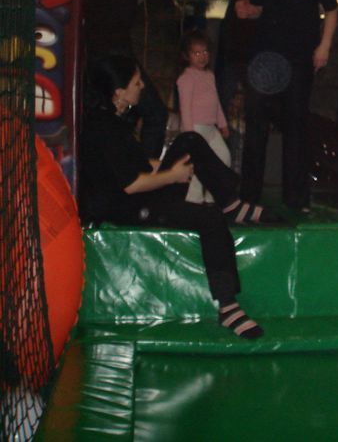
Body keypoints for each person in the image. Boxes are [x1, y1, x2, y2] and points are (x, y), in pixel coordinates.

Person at [80, 55, 273, 339]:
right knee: (209, 217)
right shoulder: (103, 127)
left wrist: (168, 166)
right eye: (136, 82)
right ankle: (228, 306)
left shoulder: (116, 120)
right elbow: (131, 185)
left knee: (190, 141)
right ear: (118, 92)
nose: (142, 86)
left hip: (141, 195)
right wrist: (172, 175)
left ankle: (231, 203)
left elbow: (138, 165)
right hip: (129, 206)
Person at [235, 0, 338, 211]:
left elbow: (332, 11)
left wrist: (324, 46)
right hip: (265, 57)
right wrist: (248, 10)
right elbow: (260, 8)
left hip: (298, 56)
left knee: (295, 124)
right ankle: (248, 196)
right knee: (256, 122)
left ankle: (296, 198)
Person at [84, 0, 167, 159]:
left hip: (103, 57)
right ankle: (146, 169)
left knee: (124, 116)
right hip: (116, 58)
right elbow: (123, 20)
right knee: (156, 114)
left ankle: (129, 168)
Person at [176, 30, 231, 204]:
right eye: (196, 53)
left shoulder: (209, 75)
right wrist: (189, 134)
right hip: (196, 128)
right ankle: (193, 200)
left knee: (224, 158)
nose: (202, 56)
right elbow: (185, 108)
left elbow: (216, 102)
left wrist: (223, 124)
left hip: (211, 128)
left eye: (205, 51)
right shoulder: (186, 78)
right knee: (197, 165)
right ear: (186, 56)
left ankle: (213, 196)